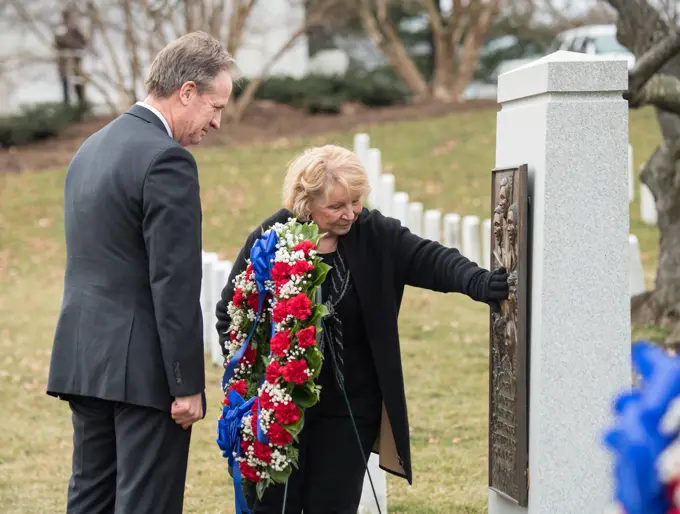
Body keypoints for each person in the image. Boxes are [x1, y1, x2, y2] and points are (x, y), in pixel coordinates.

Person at [215, 145, 509, 513]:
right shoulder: (272, 238)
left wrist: (478, 282)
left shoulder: (374, 234)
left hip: (350, 408)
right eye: (337, 206)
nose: (350, 213)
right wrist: (252, 377)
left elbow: (428, 258)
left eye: (356, 201)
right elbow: (231, 311)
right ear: (306, 202)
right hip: (277, 408)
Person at [47, 31, 237, 513]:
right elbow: (173, 282)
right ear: (187, 92)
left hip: (85, 358)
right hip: (144, 370)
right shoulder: (167, 159)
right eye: (215, 107)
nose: (217, 122)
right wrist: (185, 382)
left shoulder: (91, 147)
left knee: (91, 499)